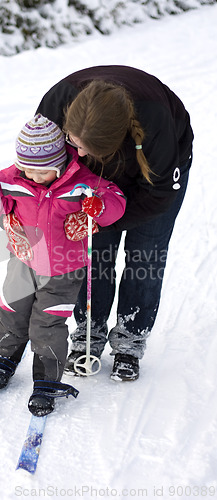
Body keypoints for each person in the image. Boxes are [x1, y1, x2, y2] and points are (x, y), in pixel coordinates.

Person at [35, 65, 194, 381]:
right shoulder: (55, 106)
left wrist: (101, 223)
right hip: (91, 181)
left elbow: (158, 196)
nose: (75, 151)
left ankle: (130, 340)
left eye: (83, 148)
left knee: (144, 255)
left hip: (152, 179)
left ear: (113, 145)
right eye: (72, 142)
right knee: (94, 255)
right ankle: (88, 333)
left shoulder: (155, 127)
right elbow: (35, 167)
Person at [0, 114, 126, 416]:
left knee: (48, 324)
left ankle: (45, 380)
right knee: (11, 312)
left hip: (64, 270)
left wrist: (99, 206)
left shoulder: (82, 183)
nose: (33, 176)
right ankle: (4, 358)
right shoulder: (12, 179)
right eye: (27, 168)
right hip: (23, 260)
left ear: (58, 164)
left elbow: (116, 202)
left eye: (42, 171)